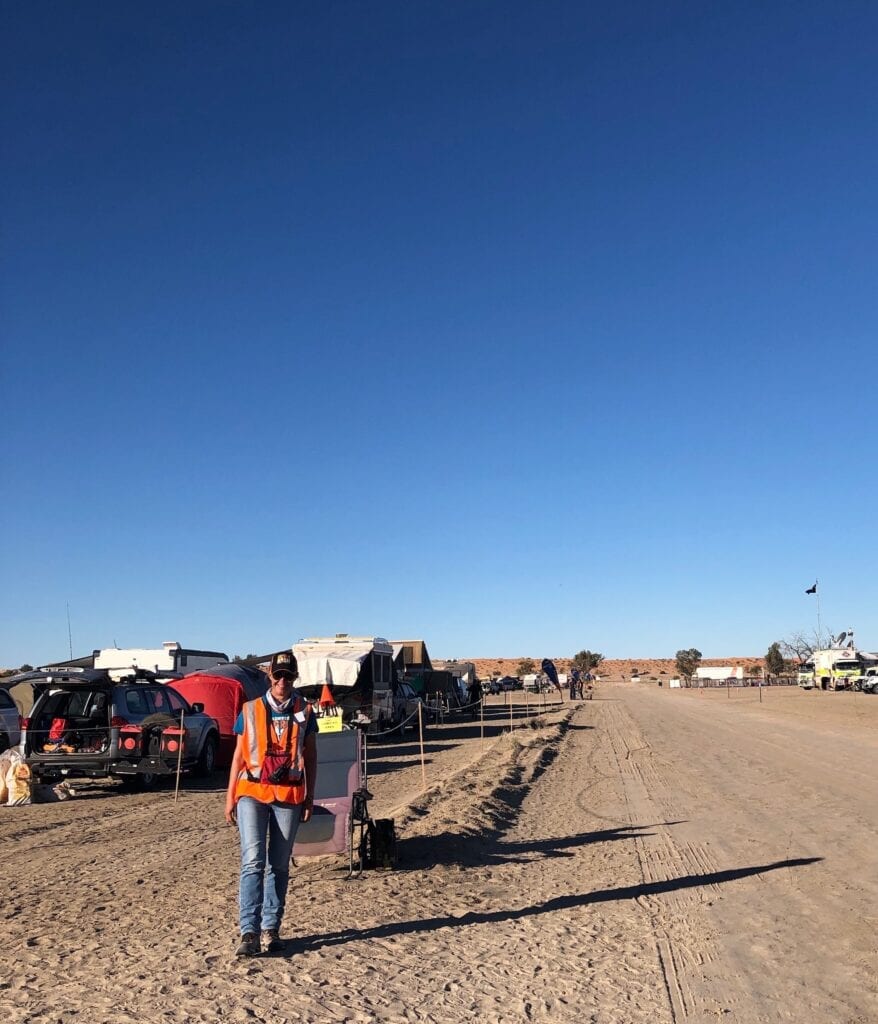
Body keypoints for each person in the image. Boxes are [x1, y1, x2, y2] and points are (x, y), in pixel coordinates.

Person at [225, 651, 318, 957]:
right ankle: (248, 932)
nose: (282, 681)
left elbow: (312, 755)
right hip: (252, 792)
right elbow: (238, 755)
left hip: (289, 795)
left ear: (294, 679)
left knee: (278, 864)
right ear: (269, 677)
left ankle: (270, 929)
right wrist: (230, 797)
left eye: (288, 676)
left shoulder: (305, 711)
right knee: (253, 861)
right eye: (278, 676)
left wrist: (309, 797)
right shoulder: (250, 710)